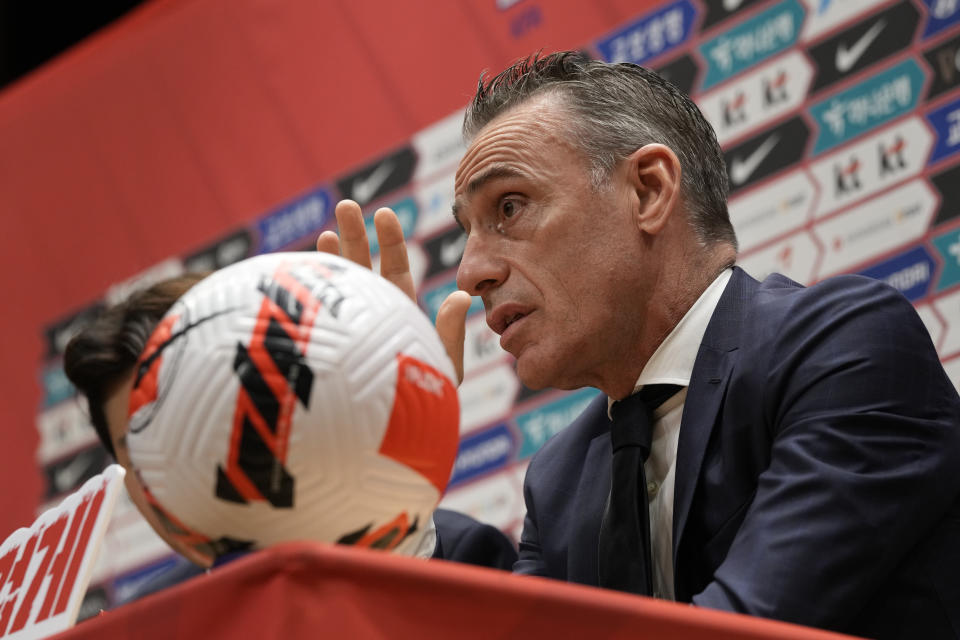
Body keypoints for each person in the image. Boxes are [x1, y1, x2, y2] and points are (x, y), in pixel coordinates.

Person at [318, 52, 960, 638]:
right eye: (467, 232)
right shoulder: (561, 479)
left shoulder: (843, 348)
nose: (470, 271)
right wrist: (391, 482)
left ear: (649, 190)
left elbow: (747, 627)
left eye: (509, 208)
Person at [63, 272, 517, 603]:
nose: (174, 473)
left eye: (199, 423)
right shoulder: (146, 624)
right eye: (142, 449)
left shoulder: (458, 556)